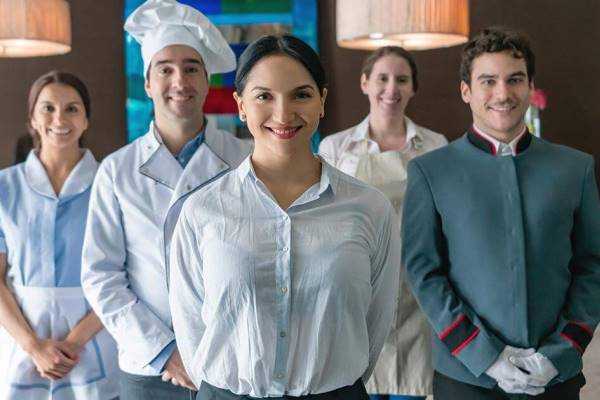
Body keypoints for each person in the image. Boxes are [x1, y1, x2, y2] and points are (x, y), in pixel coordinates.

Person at [168, 34, 401, 400]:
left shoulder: (369, 208)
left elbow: (377, 320)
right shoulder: (203, 210)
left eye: (301, 95)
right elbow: (190, 327)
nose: (282, 114)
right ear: (241, 105)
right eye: (264, 96)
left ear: (322, 101)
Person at [402, 27, 600, 400]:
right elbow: (424, 273)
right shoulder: (430, 172)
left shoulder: (576, 168)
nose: (503, 93)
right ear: (466, 91)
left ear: (530, 87)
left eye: (515, 79)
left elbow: (593, 266)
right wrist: (486, 356)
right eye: (488, 81)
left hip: (555, 378)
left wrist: (560, 352)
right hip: (466, 379)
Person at [80, 1, 251, 399]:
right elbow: (101, 275)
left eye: (191, 68)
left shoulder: (245, 159)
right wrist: (165, 353)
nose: (180, 81)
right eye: (165, 69)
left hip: (230, 362)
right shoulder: (117, 170)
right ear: (147, 83)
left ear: (207, 81)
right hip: (148, 369)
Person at [319, 46, 447, 400]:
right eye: (382, 78)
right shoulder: (335, 148)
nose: (392, 89)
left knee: (410, 388)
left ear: (413, 88)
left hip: (416, 293)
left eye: (402, 80)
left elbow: (445, 224)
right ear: (364, 83)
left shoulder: (435, 146)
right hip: (356, 292)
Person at [0, 71, 119, 399]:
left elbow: (127, 275)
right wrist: (34, 347)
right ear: (32, 119)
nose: (59, 119)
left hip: (95, 338)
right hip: (22, 340)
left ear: (86, 120)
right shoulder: (4, 187)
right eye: (48, 108)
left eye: (72, 109)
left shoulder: (111, 185)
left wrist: (73, 344)